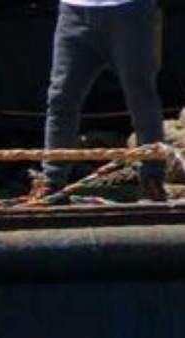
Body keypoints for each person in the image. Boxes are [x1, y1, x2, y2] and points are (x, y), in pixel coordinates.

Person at [39, 0, 168, 202]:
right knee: (61, 97)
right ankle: (52, 182)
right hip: (73, 12)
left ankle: (152, 179)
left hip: (130, 11)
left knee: (141, 95)